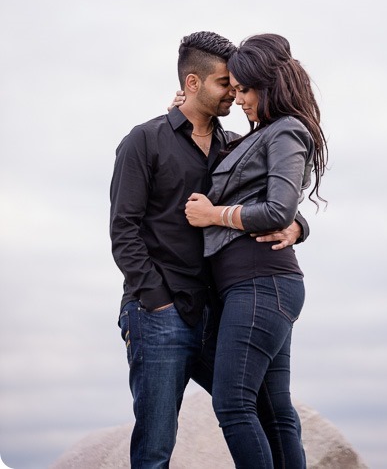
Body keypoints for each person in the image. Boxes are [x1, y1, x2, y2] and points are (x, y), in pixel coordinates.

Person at [109, 31, 310, 469]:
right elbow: (123, 230)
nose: (234, 95)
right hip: (160, 312)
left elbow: (274, 194)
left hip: (218, 309)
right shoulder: (144, 141)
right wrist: (156, 301)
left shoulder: (233, 145)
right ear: (193, 83)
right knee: (156, 445)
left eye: (238, 87)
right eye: (225, 84)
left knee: (256, 409)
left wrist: (298, 224)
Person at [185, 33, 328, 469]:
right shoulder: (258, 135)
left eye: (245, 89)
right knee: (275, 410)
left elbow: (279, 209)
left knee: (233, 403)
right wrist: (184, 112)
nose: (239, 97)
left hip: (261, 281)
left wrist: (216, 216)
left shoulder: (287, 130)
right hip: (253, 284)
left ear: (270, 87)